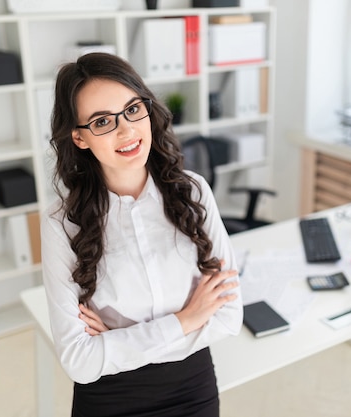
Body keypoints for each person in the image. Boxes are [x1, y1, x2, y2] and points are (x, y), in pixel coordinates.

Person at [41, 52, 243, 417]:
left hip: (191, 391)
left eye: (133, 109)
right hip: (111, 399)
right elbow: (80, 362)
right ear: (80, 138)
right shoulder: (63, 222)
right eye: (102, 121)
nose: (127, 130)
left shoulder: (193, 192)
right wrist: (187, 319)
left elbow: (228, 318)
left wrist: (116, 342)